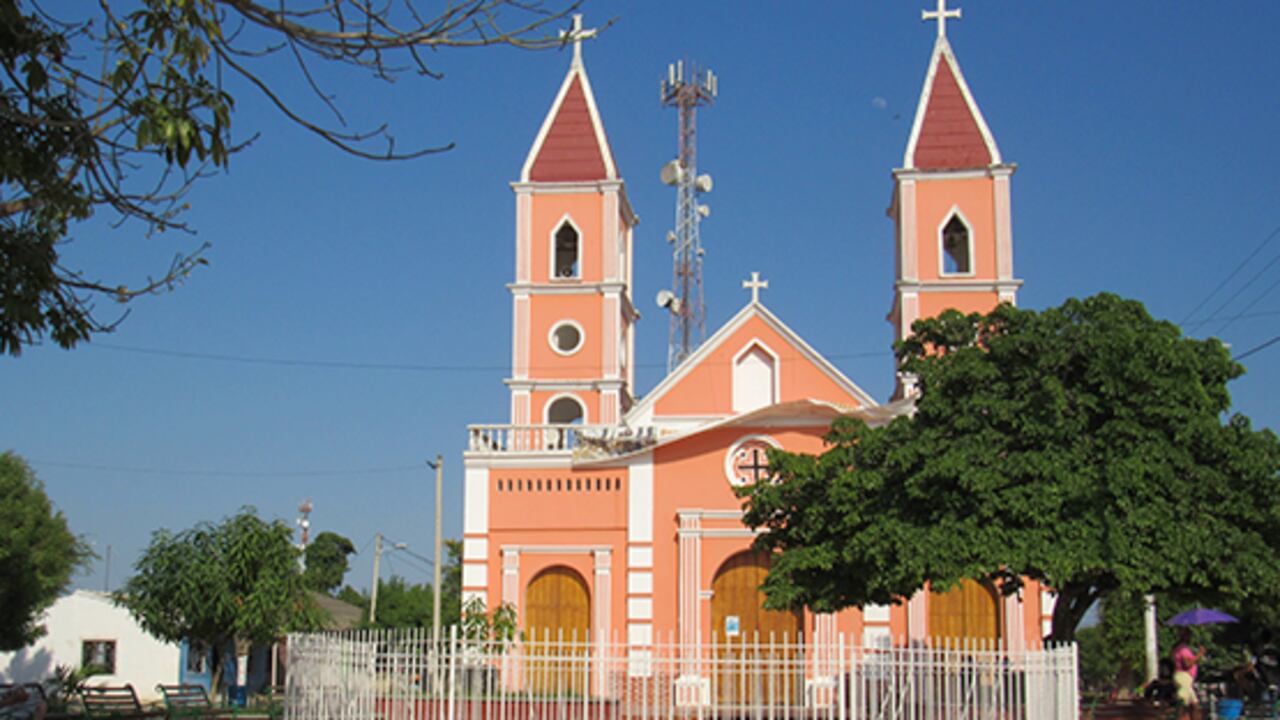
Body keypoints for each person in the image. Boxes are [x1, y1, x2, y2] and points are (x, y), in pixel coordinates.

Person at [1172, 627, 1207, 720]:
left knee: (1195, 705)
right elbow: (1187, 664)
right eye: (1189, 636)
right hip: (1184, 677)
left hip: (1186, 678)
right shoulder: (1183, 649)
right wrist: (1199, 654)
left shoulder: (1179, 648)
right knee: (1183, 703)